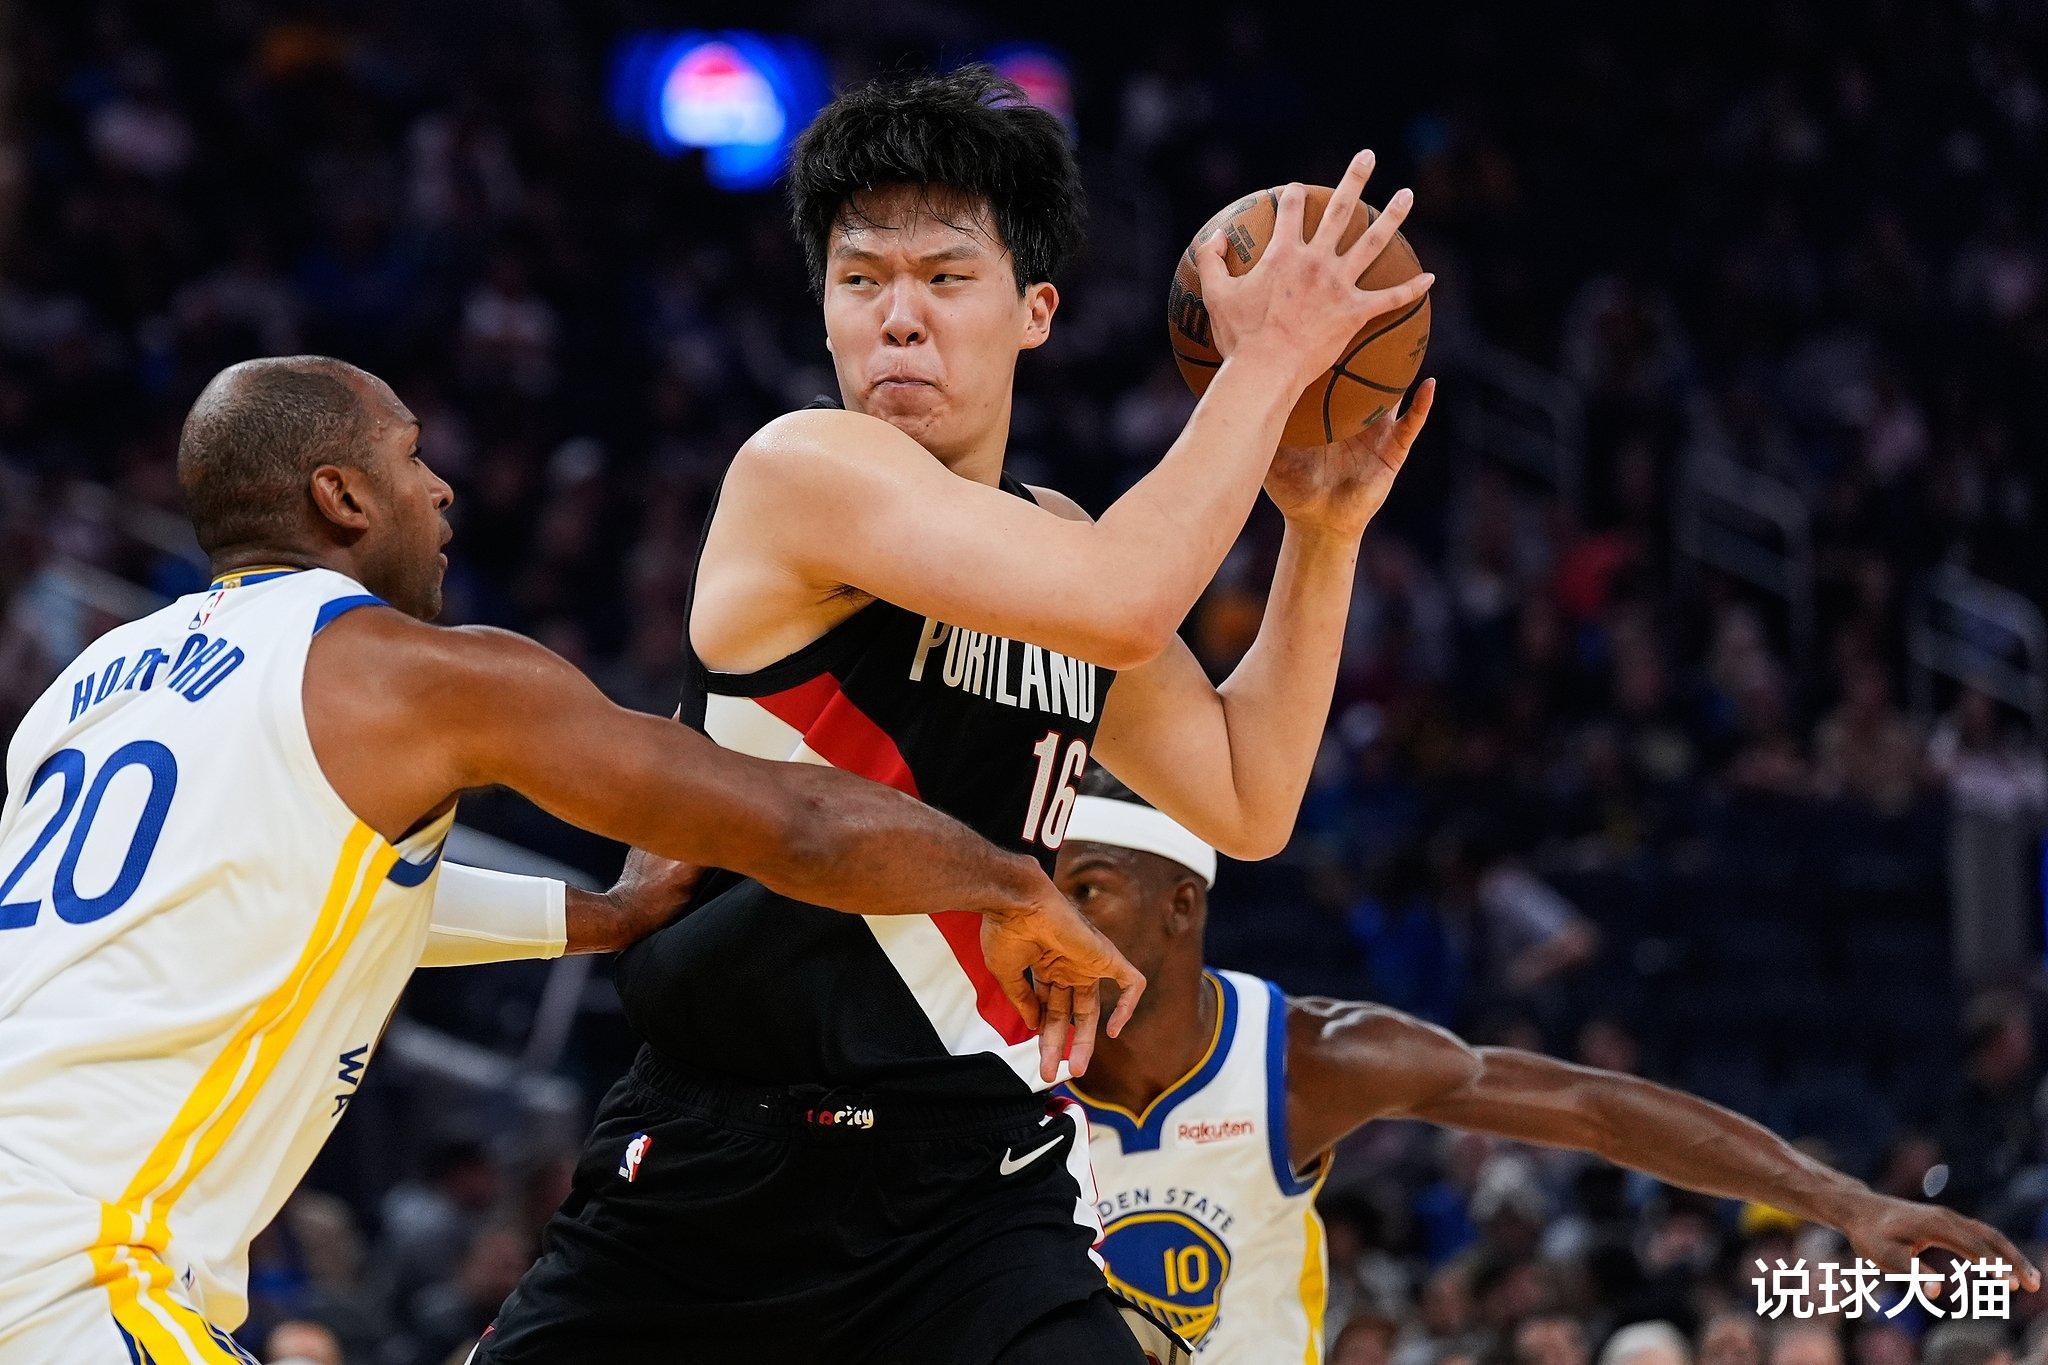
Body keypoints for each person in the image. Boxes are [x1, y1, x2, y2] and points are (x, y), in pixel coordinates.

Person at [480, 65, 1436, 1365]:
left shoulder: (1058, 544)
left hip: (973, 1191)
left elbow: (1246, 796)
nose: (899, 318)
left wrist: (1319, 535)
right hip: (718, 1175)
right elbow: (1121, 601)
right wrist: (1267, 358)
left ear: (1034, 311)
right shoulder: (800, 472)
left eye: (944, 277)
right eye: (859, 281)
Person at [0, 355, 1134, 1364]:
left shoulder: (89, 683)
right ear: (340, 498)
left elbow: (307, 892)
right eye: (410, 455)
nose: (441, 486)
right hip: (79, 1269)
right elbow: (795, 823)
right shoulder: (403, 674)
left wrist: (598, 916)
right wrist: (1012, 884)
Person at [1053, 771, 2039, 1363]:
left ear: (1180, 908)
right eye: (1041, 890)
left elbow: (1592, 1110)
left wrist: (1845, 1203)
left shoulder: (1298, 1061)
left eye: (1084, 892)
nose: (1044, 921)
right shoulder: (1000, 1056)